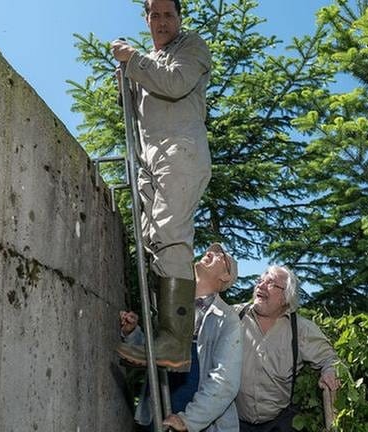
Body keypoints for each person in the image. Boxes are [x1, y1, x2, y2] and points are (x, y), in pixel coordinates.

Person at [111, 0, 212, 372]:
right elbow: (136, 112)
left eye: (169, 14)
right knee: (156, 242)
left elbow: (174, 84)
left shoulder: (191, 47)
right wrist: (126, 79)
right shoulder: (147, 64)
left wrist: (133, 60)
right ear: (147, 19)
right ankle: (164, 334)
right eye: (155, 14)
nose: (162, 21)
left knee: (171, 234)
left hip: (179, 154)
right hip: (151, 163)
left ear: (179, 18)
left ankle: (175, 341)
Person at [121, 243, 242, 431]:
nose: (210, 252)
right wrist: (132, 333)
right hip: (157, 406)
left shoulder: (228, 319)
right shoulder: (171, 304)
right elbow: (155, 352)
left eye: (220, 255)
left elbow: (225, 381)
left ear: (225, 276)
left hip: (195, 415)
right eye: (210, 249)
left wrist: (189, 421)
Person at [235, 265, 340, 432]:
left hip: (278, 423)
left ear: (285, 297)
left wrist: (329, 371)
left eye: (271, 283)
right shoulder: (234, 317)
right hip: (232, 421)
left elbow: (330, 359)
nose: (260, 286)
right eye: (260, 281)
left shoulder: (301, 329)